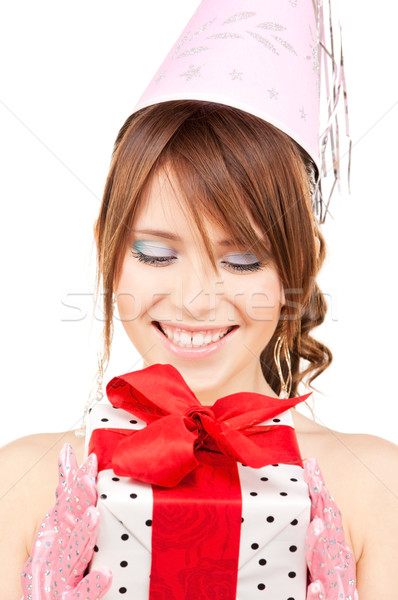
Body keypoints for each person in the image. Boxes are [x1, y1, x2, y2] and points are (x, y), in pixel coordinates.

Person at [1, 1, 398, 599]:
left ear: (301, 266)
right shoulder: (26, 485)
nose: (195, 300)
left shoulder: (375, 488)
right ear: (107, 251)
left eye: (242, 261)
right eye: (156, 254)